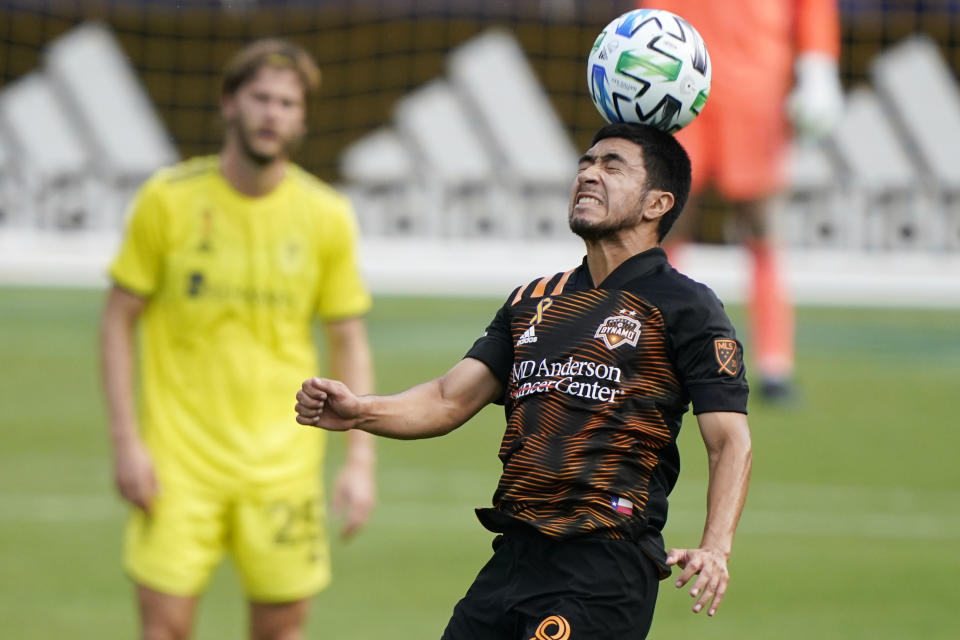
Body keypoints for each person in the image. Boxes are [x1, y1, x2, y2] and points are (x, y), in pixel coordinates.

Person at [295, 122, 752, 639]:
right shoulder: (533, 300)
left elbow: (729, 440)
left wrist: (716, 547)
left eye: (611, 165)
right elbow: (448, 399)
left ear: (656, 204)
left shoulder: (686, 305)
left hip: (603, 567)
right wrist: (361, 411)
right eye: (586, 162)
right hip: (512, 559)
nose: (588, 173)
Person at [100, 39, 376, 640]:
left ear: (302, 118)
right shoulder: (167, 200)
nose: (272, 113)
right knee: (162, 632)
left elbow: (347, 337)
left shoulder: (325, 215)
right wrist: (127, 442)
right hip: (177, 465)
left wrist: (360, 459)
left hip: (283, 468)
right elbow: (118, 318)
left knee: (280, 633)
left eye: (286, 102)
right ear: (230, 103)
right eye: (260, 98)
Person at [638, 0, 845, 400]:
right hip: (680, 77)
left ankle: (775, 365)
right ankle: (649, 351)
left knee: (762, 225)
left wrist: (819, 64)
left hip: (756, 84)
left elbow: (813, 7)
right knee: (666, 217)